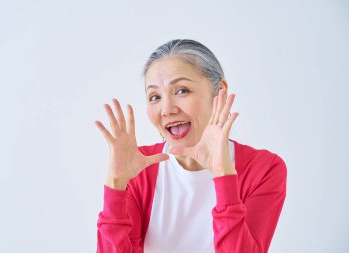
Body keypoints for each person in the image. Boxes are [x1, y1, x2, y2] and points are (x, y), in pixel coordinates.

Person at [94, 39, 287, 253]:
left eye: (182, 91)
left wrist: (223, 175)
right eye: (155, 96)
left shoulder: (264, 169)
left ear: (219, 91)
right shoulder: (139, 167)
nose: (167, 109)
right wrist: (116, 185)